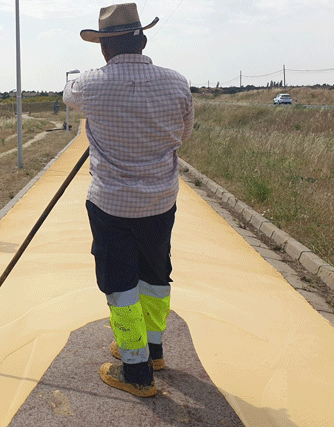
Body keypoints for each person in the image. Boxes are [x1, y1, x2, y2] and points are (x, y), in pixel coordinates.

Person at [63, 3, 194, 397]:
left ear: (104, 48)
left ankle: (135, 370)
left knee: (119, 284)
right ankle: (153, 350)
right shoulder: (177, 82)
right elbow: (183, 134)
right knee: (156, 274)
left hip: (111, 204)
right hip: (160, 201)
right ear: (144, 39)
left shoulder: (89, 85)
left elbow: (69, 94)